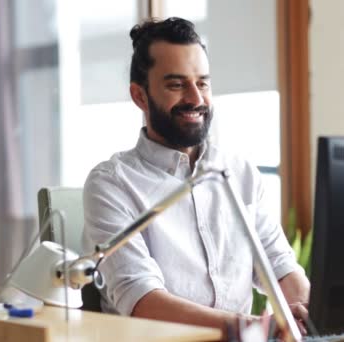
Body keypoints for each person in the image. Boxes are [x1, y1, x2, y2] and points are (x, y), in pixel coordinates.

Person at [82, 17, 310, 339]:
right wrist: (255, 329)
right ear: (140, 96)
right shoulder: (111, 184)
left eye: (202, 83)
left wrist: (306, 314)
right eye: (176, 85)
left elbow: (281, 266)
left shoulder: (239, 172)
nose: (195, 98)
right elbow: (143, 301)